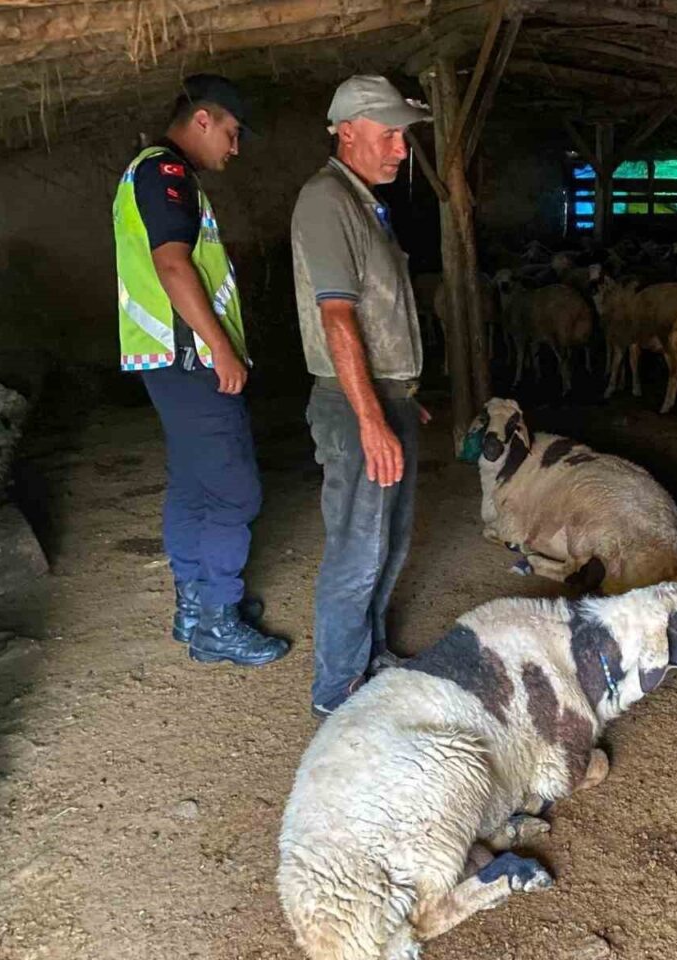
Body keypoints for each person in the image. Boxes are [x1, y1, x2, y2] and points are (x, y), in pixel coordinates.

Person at [112, 74, 288, 667]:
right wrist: (221, 348)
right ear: (204, 120)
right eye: (232, 133)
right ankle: (217, 619)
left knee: (193, 482)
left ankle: (193, 607)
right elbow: (172, 265)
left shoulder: (148, 171)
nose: (234, 149)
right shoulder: (166, 173)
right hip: (189, 356)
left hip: (165, 358)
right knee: (235, 489)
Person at [290, 76, 431, 719]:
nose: (402, 149)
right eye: (391, 134)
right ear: (348, 130)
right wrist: (373, 419)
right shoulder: (326, 201)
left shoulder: (363, 201)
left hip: (381, 397)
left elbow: (379, 316)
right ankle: (336, 694)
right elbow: (339, 319)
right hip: (353, 407)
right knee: (358, 549)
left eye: (404, 135)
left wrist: (401, 392)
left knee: (387, 543)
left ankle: (369, 658)